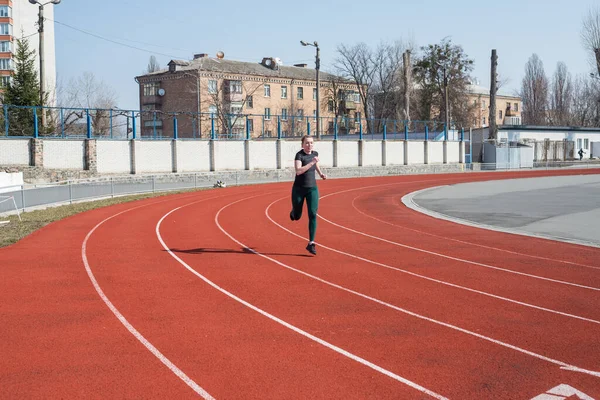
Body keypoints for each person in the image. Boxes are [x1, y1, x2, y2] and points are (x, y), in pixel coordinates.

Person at [289, 135, 327, 255]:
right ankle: (294, 212)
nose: (309, 145)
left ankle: (311, 243)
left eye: (311, 143)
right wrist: (311, 163)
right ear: (302, 144)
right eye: (307, 143)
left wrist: (320, 173)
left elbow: (316, 164)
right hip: (299, 189)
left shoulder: (315, 153)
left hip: (312, 189)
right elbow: (299, 171)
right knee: (297, 216)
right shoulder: (299, 155)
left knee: (312, 214)